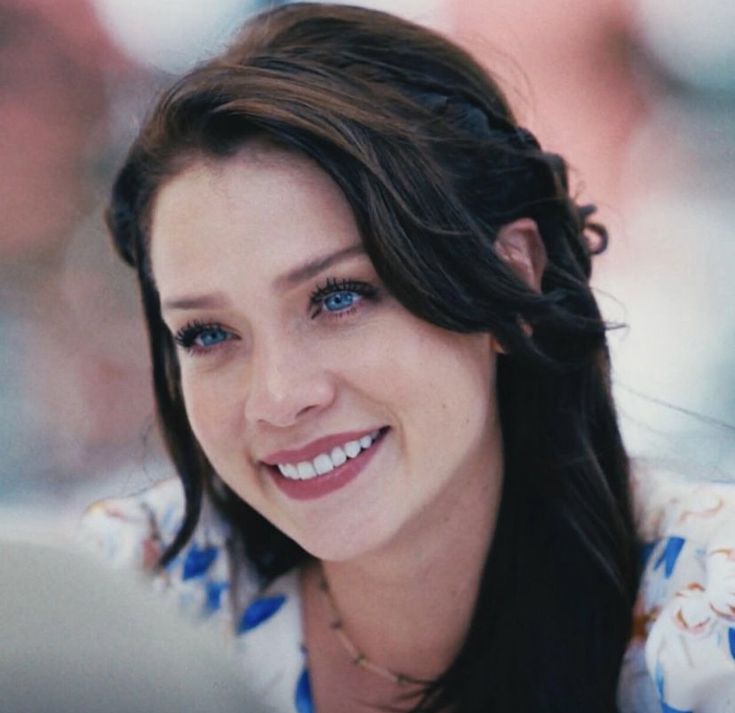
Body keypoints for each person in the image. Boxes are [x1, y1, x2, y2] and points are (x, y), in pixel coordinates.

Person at [80, 4, 735, 713]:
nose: (277, 395)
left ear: (512, 278)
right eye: (206, 333)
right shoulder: (122, 593)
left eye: (338, 297)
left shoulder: (708, 610)